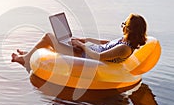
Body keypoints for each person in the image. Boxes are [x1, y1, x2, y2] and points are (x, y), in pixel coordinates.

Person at [11, 13, 147, 69]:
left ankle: (24, 59)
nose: (122, 27)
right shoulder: (126, 42)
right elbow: (106, 43)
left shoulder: (125, 49)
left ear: (129, 29)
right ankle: (29, 54)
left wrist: (81, 45)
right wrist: (85, 40)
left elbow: (99, 56)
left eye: (124, 25)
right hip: (84, 51)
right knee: (60, 41)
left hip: (83, 57)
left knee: (49, 37)